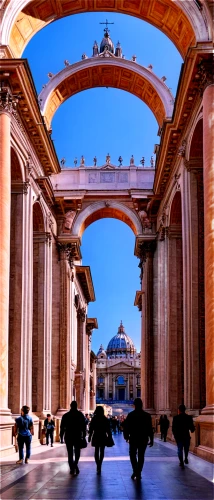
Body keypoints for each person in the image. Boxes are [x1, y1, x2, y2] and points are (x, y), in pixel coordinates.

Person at [123, 398, 153, 480]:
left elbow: (126, 427)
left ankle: (135, 471)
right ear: (142, 405)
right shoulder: (147, 416)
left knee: (132, 455)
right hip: (143, 438)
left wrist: (126, 436)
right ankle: (138, 472)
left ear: (134, 405)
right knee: (141, 455)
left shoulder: (131, 415)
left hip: (133, 438)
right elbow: (150, 428)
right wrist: (152, 439)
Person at [60, 401, 86, 475]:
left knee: (70, 453)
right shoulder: (80, 415)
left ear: (70, 406)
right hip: (77, 436)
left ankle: (72, 468)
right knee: (77, 452)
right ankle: (75, 465)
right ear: (76, 406)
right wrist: (84, 436)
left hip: (68, 436)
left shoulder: (66, 415)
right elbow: (84, 427)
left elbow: (62, 427)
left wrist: (61, 436)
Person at [88, 406, 112, 475]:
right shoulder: (105, 419)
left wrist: (89, 436)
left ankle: (97, 464)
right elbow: (108, 430)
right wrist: (109, 437)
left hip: (96, 436)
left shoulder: (94, 419)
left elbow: (91, 429)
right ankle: (100, 464)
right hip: (103, 436)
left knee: (96, 451)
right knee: (102, 451)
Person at [172, 404, 195, 469]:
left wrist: (175, 436)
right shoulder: (189, 418)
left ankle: (181, 462)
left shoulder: (175, 418)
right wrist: (192, 429)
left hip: (179, 437)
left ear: (179, 410)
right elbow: (192, 428)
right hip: (186, 436)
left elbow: (173, 428)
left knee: (180, 449)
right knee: (186, 448)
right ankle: (186, 458)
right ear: (185, 410)